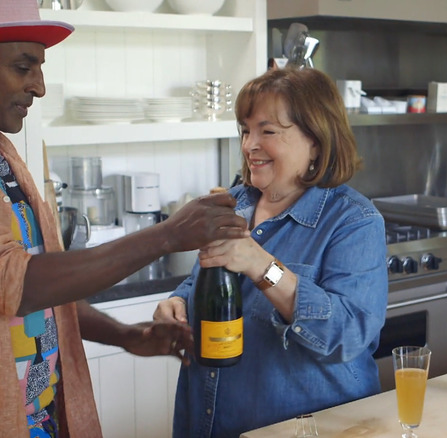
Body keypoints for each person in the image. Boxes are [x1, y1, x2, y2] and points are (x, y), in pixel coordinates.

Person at [0, 0, 248, 437]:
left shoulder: (3, 158)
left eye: (39, 68)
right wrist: (167, 235)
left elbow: (46, 287)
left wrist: (124, 336)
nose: (39, 87)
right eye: (24, 67)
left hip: (42, 419)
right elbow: (13, 282)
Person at [153, 67, 389, 438]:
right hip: (211, 421)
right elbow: (207, 279)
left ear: (316, 139)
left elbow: (351, 335)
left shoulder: (354, 221)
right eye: (246, 130)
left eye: (268, 131)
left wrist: (263, 266)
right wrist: (178, 301)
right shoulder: (232, 203)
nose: (249, 145)